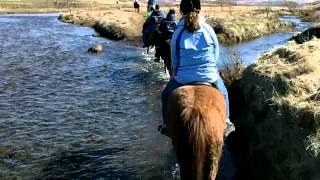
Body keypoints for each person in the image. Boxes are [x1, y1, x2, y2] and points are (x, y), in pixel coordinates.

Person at [159, 0, 233, 135]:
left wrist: (177, 72)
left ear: (181, 12)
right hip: (209, 75)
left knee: (165, 95)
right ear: (199, 10)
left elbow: (174, 60)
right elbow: (216, 54)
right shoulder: (208, 30)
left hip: (183, 78)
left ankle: (166, 125)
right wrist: (211, 69)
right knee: (224, 93)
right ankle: (227, 122)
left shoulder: (178, 33)